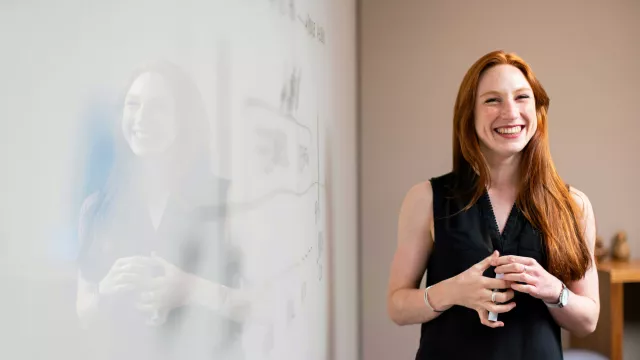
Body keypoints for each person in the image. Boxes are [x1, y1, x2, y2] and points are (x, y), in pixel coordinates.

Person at [387, 50, 599, 360]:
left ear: (538, 110)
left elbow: (588, 320)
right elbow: (397, 307)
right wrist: (452, 292)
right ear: (468, 114)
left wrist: (554, 290)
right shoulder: (425, 199)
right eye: (492, 100)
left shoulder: (574, 205)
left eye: (522, 97)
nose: (510, 113)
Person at [75, 61, 245, 360]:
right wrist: (105, 289)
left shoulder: (227, 199)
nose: (141, 118)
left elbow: (259, 304)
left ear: (184, 119)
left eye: (158, 108)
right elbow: (84, 311)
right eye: (133, 104)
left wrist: (191, 288)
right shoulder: (96, 208)